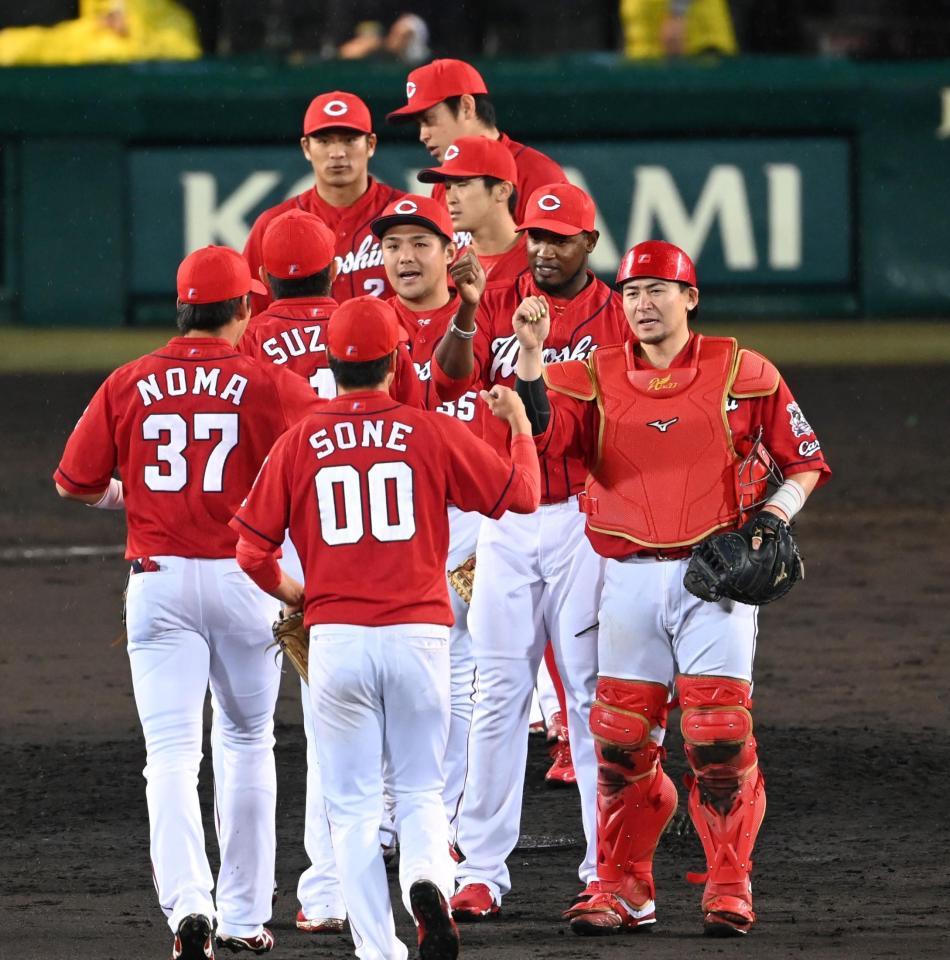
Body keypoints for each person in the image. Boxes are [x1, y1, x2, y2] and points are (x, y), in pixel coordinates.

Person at [503, 238, 831, 936]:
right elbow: (540, 434)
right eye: (630, 293)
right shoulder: (591, 374)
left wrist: (773, 516)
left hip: (713, 583)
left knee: (717, 737)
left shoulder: (742, 368)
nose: (643, 303)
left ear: (691, 297)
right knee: (622, 742)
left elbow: (804, 459)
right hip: (623, 577)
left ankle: (728, 883)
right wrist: (531, 351)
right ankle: (625, 888)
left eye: (657, 289)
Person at [230, 295, 542, 960]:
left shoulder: (299, 442)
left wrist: (300, 597)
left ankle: (379, 948)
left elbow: (251, 552)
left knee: (351, 806)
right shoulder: (429, 431)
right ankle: (428, 876)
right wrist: (518, 426)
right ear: (398, 361)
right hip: (421, 639)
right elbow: (522, 496)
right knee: (422, 788)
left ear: (332, 364)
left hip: (338, 641)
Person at [53, 245, 322, 959]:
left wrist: (130, 495)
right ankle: (242, 916)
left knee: (171, 756)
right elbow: (327, 452)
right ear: (243, 308)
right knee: (246, 743)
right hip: (246, 583)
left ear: (180, 308)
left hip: (160, 583)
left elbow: (73, 484)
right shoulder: (269, 383)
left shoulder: (129, 380)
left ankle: (188, 911)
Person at [429, 182, 628, 919]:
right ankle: (480, 869)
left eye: (561, 239)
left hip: (584, 519)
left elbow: (572, 422)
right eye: (537, 238)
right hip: (507, 519)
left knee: (587, 696)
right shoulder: (501, 294)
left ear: (589, 244)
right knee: (496, 695)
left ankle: (606, 866)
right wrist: (469, 311)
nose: (545, 250)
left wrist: (536, 356)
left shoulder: (618, 317)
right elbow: (449, 376)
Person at [240, 207, 422, 406]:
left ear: (264, 276)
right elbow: (413, 419)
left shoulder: (247, 340)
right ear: (334, 270)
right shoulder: (378, 329)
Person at [244, 90, 405, 313]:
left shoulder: (407, 215)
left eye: (350, 140)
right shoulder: (273, 224)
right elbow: (249, 316)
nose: (337, 152)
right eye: (323, 141)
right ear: (306, 148)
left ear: (371, 144)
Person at [386, 58, 566, 224]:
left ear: (466, 107)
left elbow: (561, 255)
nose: (423, 135)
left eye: (429, 119)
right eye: (419, 124)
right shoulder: (442, 188)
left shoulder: (537, 174)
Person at [418, 135, 528, 282]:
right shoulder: (445, 264)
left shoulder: (542, 261)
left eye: (462, 185)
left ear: (502, 191)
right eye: (448, 187)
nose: (451, 199)